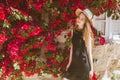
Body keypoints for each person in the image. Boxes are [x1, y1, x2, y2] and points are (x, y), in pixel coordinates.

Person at [63, 8, 94, 80]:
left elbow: (89, 53)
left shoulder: (87, 34)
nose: (79, 20)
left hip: (83, 65)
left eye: (82, 19)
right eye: (79, 17)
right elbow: (72, 48)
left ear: (85, 22)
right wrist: (69, 63)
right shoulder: (73, 31)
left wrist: (92, 69)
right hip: (74, 64)